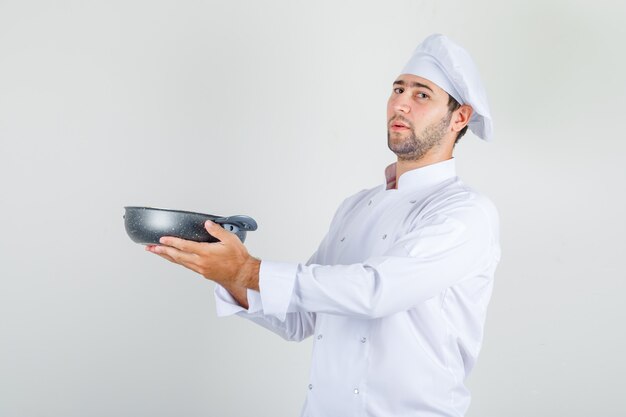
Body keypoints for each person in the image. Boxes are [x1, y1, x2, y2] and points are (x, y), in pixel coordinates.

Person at [147, 33, 501, 417]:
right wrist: (224, 270)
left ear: (459, 117)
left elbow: (375, 292)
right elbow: (301, 317)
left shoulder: (465, 212)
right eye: (398, 89)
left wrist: (249, 271)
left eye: (421, 95)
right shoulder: (356, 206)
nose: (400, 103)